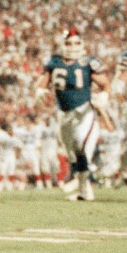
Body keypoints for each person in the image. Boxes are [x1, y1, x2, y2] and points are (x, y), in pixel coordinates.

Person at [40, 29, 111, 202]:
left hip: (84, 112)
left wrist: (104, 95)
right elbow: (44, 80)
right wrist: (39, 89)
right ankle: (84, 189)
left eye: (76, 43)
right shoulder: (54, 61)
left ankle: (85, 184)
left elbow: (105, 84)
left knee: (81, 146)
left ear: (82, 44)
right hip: (64, 114)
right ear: (63, 44)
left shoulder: (88, 62)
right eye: (69, 43)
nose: (72, 47)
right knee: (71, 153)